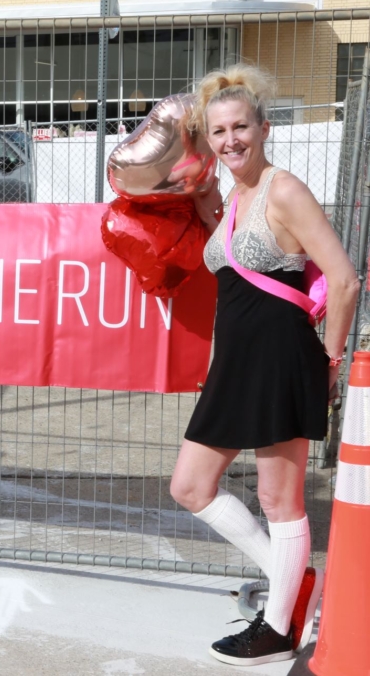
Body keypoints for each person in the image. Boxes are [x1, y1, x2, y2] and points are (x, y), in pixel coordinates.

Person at [172, 64, 360, 667]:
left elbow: (345, 280)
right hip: (236, 362)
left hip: (282, 358)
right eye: (219, 130)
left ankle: (278, 629)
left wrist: (329, 362)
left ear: (264, 128)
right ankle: (292, 582)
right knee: (190, 486)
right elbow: (237, 267)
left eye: (240, 127)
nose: (230, 140)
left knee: (281, 501)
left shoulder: (284, 190)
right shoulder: (235, 197)